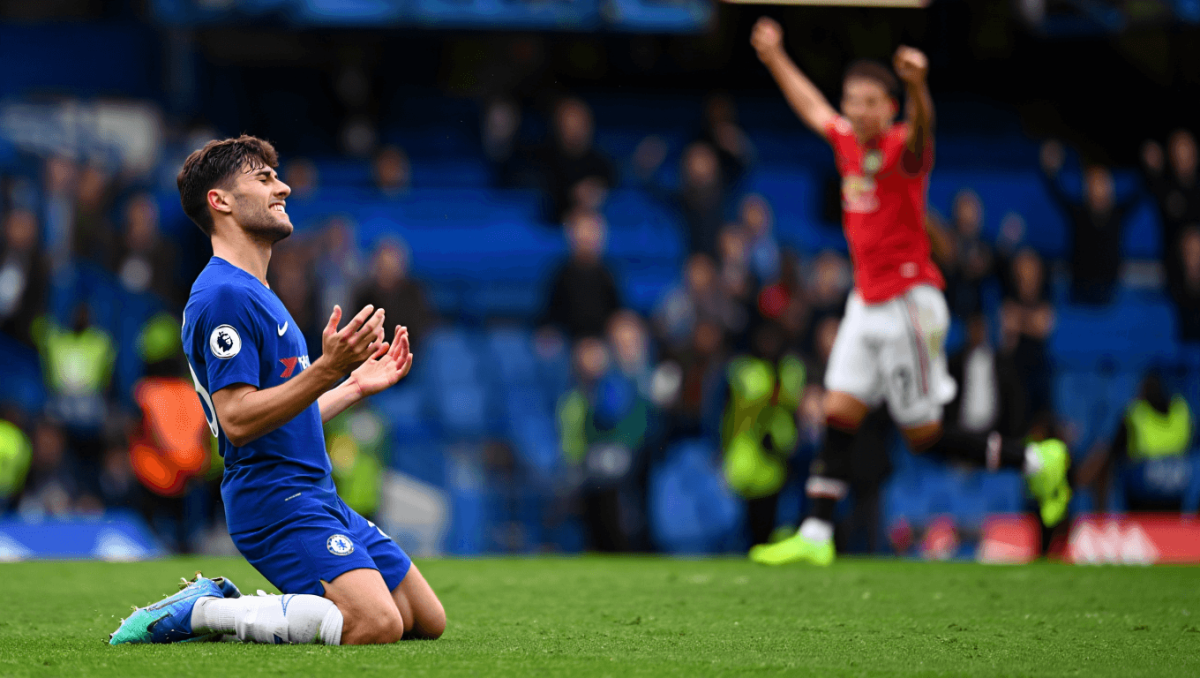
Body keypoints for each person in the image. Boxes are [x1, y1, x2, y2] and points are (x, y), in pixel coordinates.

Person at [746, 18, 1069, 567]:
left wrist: (919, 86)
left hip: (909, 305)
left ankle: (1038, 461)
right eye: (852, 100)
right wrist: (774, 55)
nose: (857, 110)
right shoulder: (847, 141)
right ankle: (817, 535)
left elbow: (923, 132)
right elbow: (811, 107)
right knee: (837, 410)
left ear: (890, 108)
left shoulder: (902, 147)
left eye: (870, 101)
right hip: (866, 301)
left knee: (923, 437)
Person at [109, 136, 445, 646]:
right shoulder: (224, 295)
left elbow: (285, 417)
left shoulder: (259, 292)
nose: (283, 188)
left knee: (424, 619)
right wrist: (326, 370)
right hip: (276, 499)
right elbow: (238, 419)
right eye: (264, 179)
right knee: (377, 623)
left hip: (316, 493)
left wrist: (351, 384)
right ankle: (207, 611)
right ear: (220, 201)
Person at [1040, 140, 1141, 306]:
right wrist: (1049, 169)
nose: (1097, 188)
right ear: (1086, 188)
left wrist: (1151, 167)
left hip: (1108, 290)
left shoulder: (1118, 213)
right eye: (1092, 183)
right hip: (1079, 287)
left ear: (1110, 187)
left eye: (1102, 183)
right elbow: (1055, 191)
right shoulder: (1077, 213)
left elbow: (1141, 192)